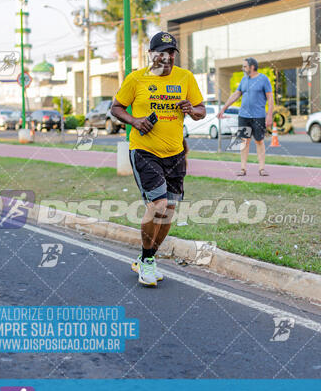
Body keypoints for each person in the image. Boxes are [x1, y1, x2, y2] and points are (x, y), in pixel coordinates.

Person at [111, 31, 206, 287]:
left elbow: (201, 110)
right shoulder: (136, 79)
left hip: (175, 154)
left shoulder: (185, 78)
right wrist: (134, 121)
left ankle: (147, 258)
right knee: (158, 205)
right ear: (152, 55)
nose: (167, 57)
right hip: (144, 150)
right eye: (162, 53)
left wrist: (191, 110)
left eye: (171, 52)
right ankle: (147, 261)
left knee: (169, 211)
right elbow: (116, 107)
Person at [218, 57, 273, 176]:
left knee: (259, 141)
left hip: (258, 116)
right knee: (244, 141)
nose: (243, 68)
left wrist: (269, 115)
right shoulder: (244, 80)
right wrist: (223, 108)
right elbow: (236, 95)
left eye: (245, 66)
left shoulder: (263, 79)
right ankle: (243, 169)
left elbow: (270, 98)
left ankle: (262, 168)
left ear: (252, 67)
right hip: (243, 116)